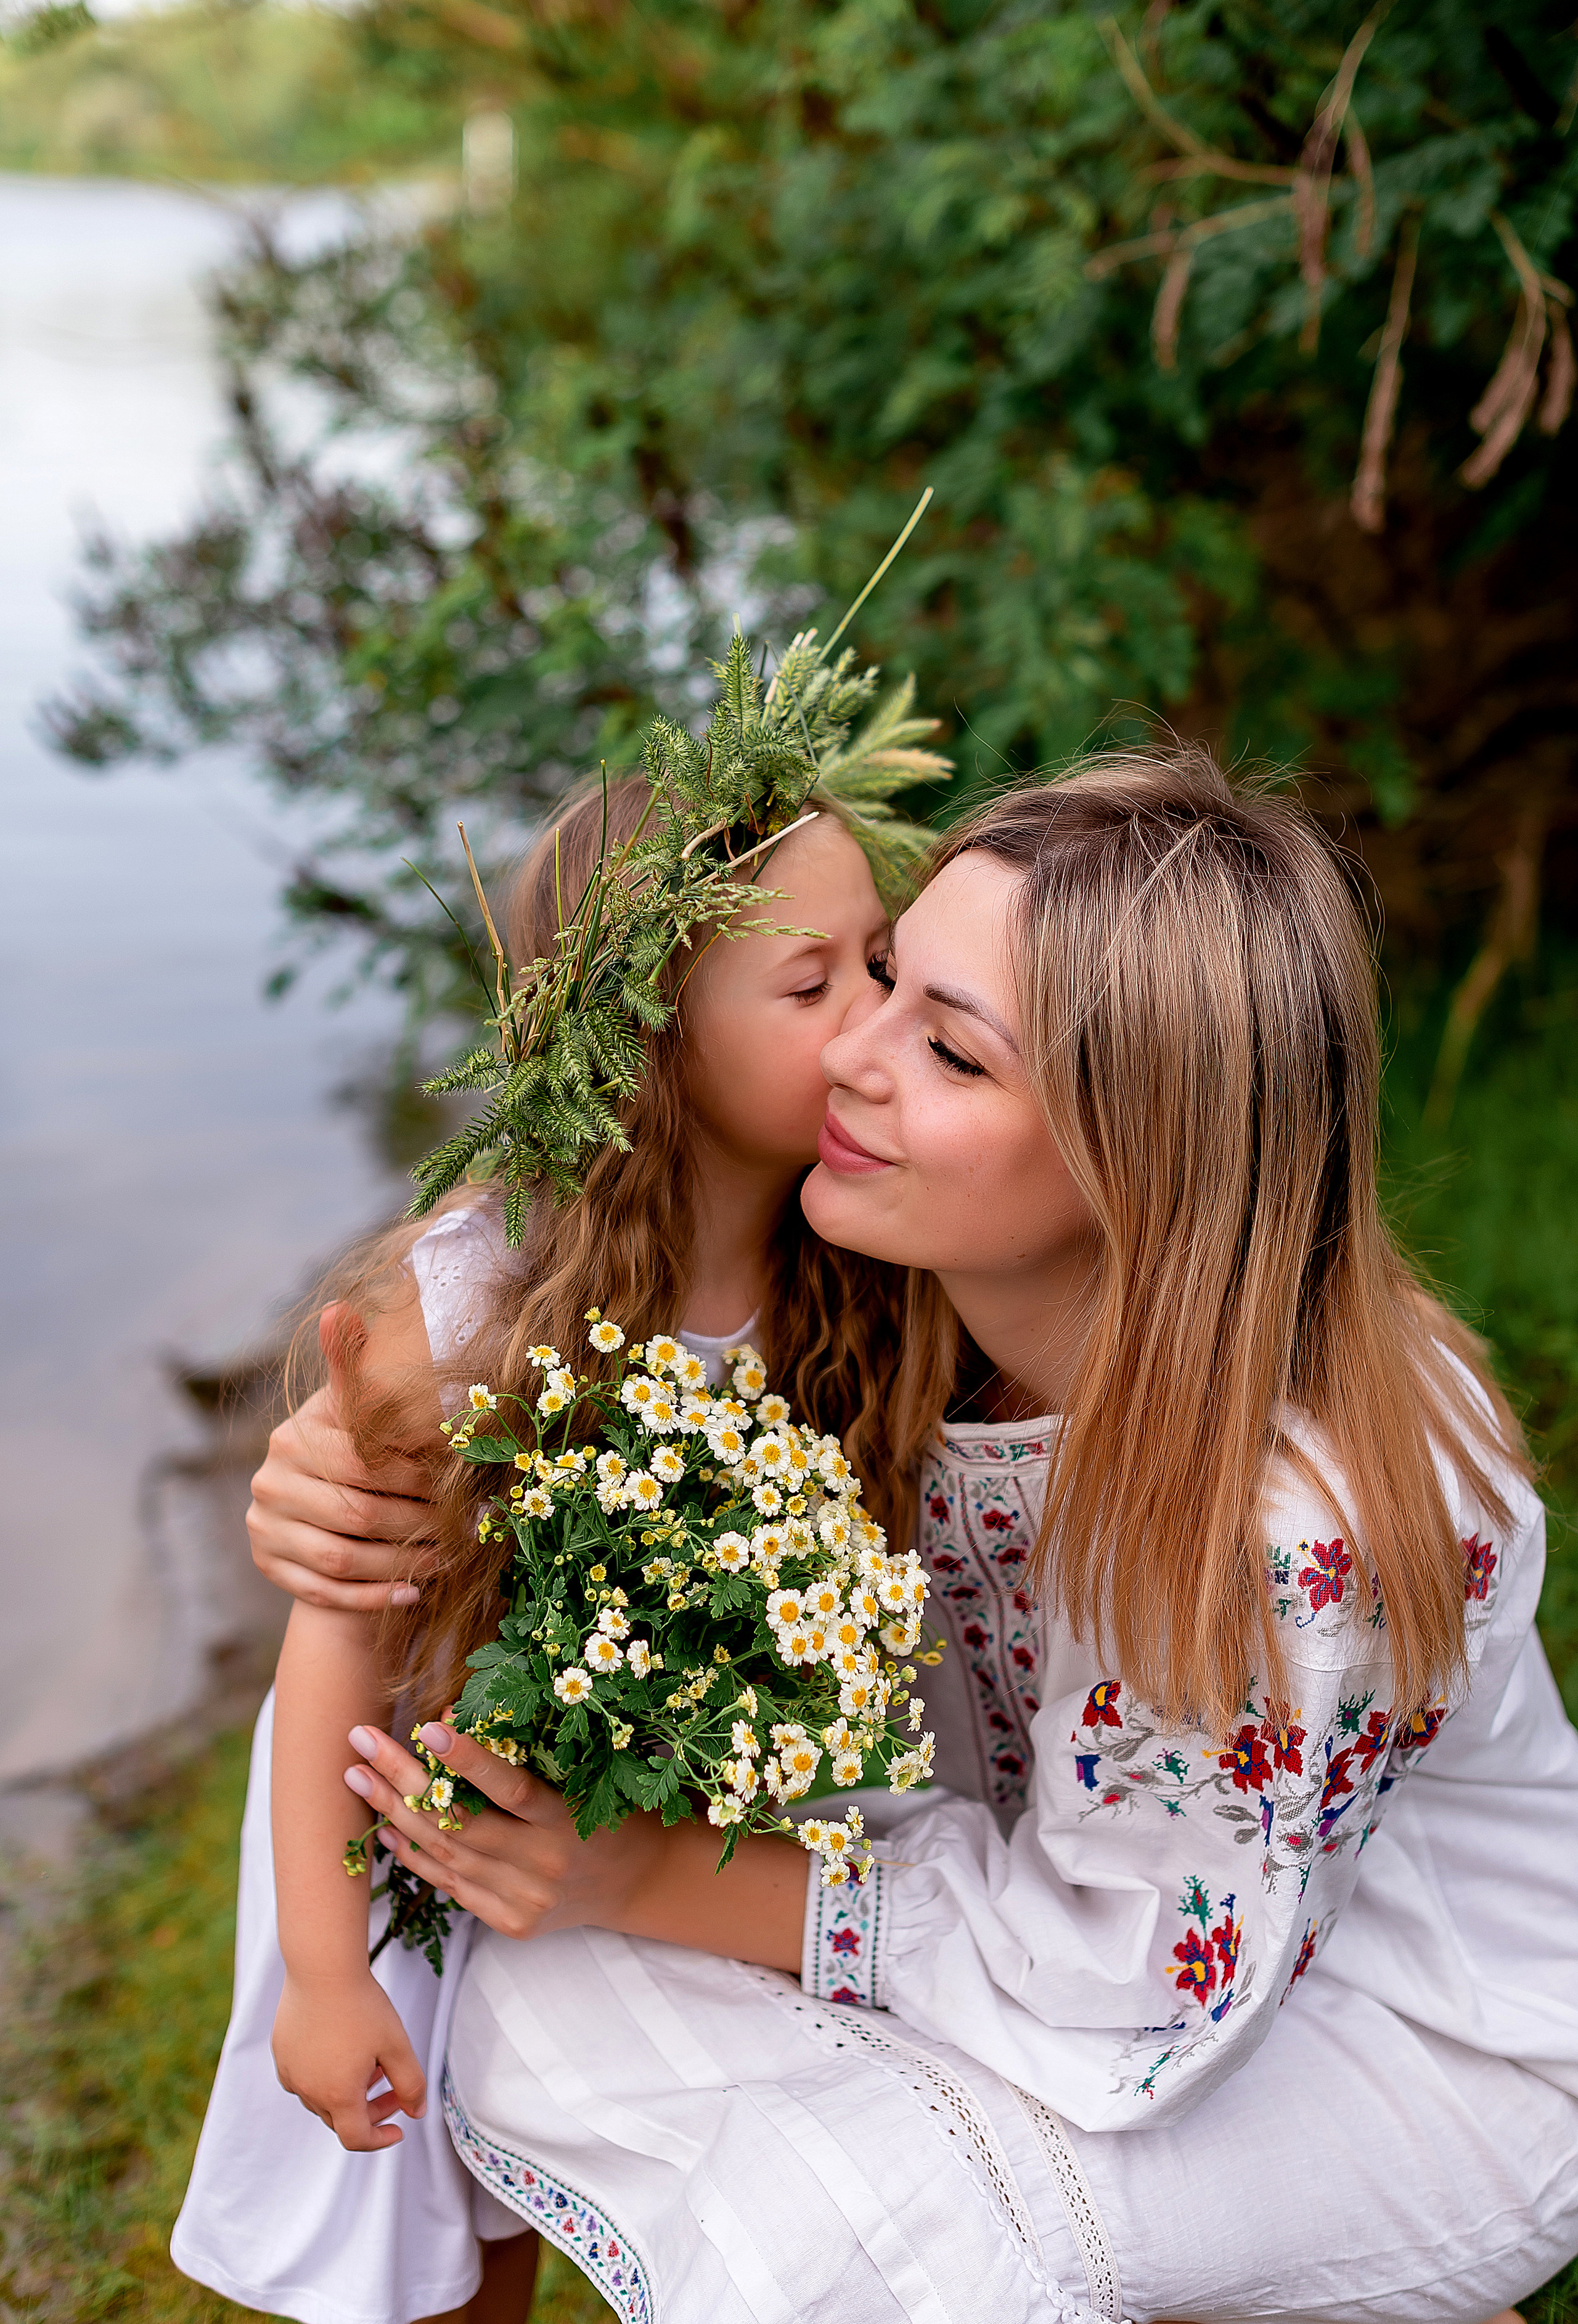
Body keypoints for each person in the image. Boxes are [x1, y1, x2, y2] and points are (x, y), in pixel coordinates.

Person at [339, 751, 1578, 2324]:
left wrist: (645, 1875)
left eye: (949, 1050)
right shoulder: (912, 1290)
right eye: (879, 979)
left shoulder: (1292, 1522)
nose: (848, 1054)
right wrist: (354, 1452)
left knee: (852, 2215)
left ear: (1137, 1154)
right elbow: (571, 1278)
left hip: (1409, 2034)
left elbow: (1136, 1988)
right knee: (536, 2016)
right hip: (1046, 1921)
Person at [171, 772, 914, 2324]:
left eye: (884, 960)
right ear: (652, 1031)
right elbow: (341, 1644)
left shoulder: (863, 1271)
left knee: (556, 2161)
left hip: (627, 1815)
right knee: (428, 2255)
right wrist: (324, 1968)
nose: (871, 1020)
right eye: (810, 981)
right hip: (397, 1815)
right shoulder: (486, 1300)